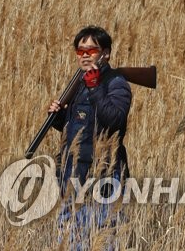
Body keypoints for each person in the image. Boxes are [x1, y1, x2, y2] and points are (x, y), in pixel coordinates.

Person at [47, 25, 131, 249]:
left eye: (90, 51)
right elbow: (79, 128)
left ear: (106, 53)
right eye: (80, 51)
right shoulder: (80, 83)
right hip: (73, 175)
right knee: (70, 239)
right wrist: (58, 117)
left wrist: (95, 89)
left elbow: (114, 121)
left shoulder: (116, 83)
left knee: (102, 240)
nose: (84, 56)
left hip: (104, 174)